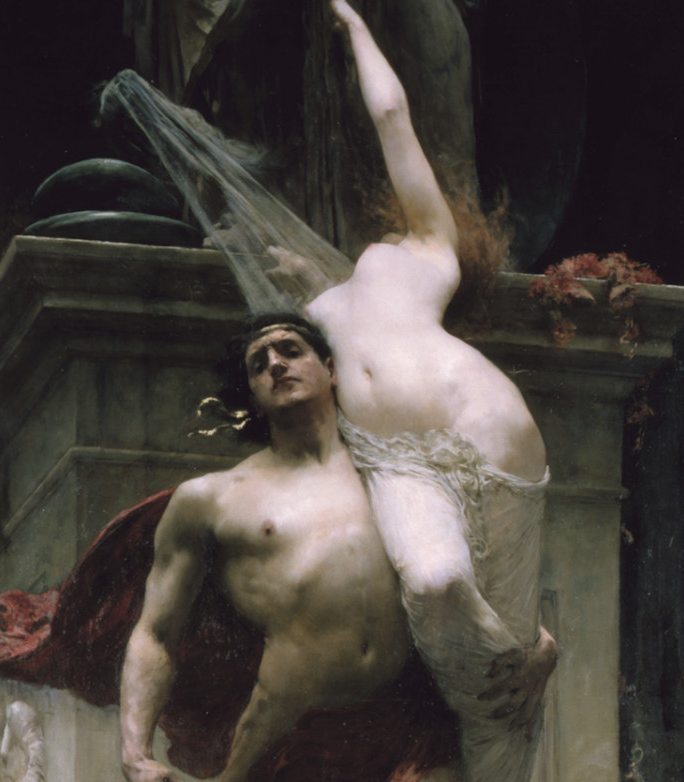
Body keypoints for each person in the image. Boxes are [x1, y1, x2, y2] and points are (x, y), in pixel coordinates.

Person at [263, 2, 555, 780]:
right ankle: (528, 651)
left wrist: (352, 22)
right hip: (398, 460)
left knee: (502, 709)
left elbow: (392, 114)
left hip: (484, 420)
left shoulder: (431, 249)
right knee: (434, 580)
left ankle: (527, 667)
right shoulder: (324, 309)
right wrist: (306, 278)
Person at [119, 316, 416, 782]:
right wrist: (135, 751)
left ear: (331, 370)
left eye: (291, 350)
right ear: (254, 398)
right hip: (288, 738)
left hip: (407, 728)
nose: (276, 364)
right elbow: (155, 631)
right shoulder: (213, 497)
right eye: (259, 364)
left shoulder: (399, 471)